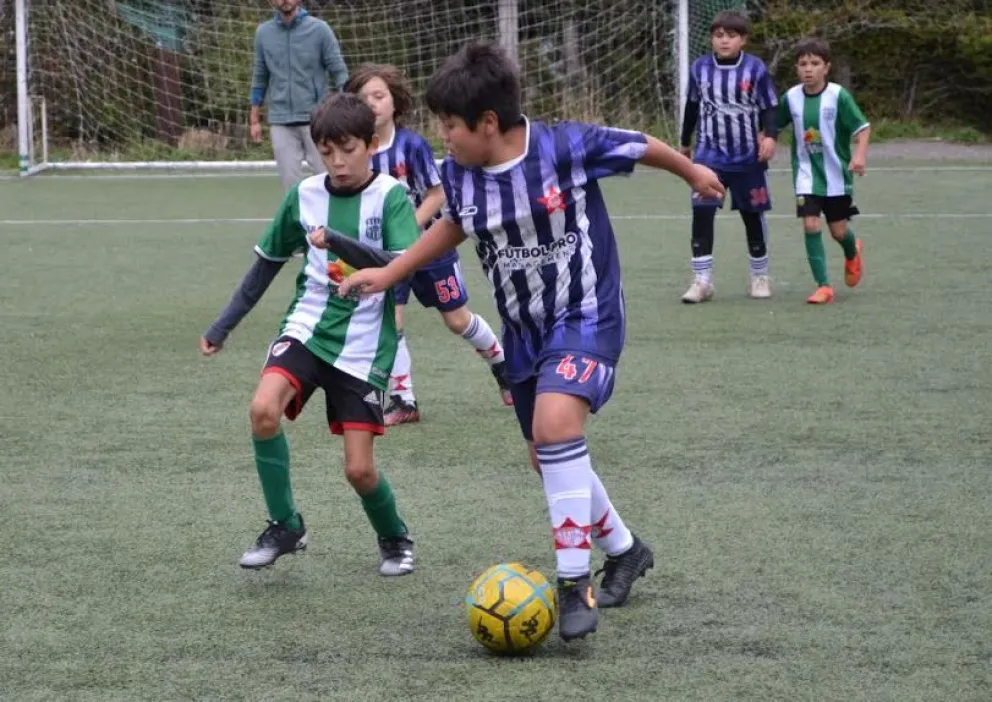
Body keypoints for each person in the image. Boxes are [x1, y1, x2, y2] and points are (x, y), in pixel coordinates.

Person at [338, 42, 725, 642]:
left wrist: (693, 171)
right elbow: (454, 227)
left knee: (556, 427)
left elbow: (638, 142)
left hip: (587, 312)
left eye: (450, 125)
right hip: (523, 328)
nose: (443, 136)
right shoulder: (459, 173)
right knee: (543, 451)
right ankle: (625, 549)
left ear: (489, 123)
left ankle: (574, 586)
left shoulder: (565, 146)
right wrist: (391, 272)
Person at [200, 93, 419, 576]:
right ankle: (285, 524)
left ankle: (395, 537)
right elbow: (266, 265)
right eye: (326, 151)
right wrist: (223, 325)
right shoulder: (304, 195)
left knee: (358, 471)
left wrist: (337, 241)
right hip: (307, 326)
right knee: (262, 410)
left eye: (348, 149)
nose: (337, 162)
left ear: (371, 144)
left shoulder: (391, 197)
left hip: (363, 345)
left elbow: (401, 267)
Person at [345, 63, 512, 426]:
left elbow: (437, 196)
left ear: (394, 102)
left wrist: (407, 229)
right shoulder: (356, 151)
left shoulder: (412, 146)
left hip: (431, 249)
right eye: (364, 98)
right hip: (388, 256)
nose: (372, 104)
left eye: (379, 96)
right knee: (392, 319)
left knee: (456, 320)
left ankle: (501, 363)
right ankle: (404, 399)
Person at [679, 10, 779, 303]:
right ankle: (702, 280)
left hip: (748, 157)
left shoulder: (756, 69)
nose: (724, 41)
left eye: (731, 36)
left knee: (752, 215)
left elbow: (769, 107)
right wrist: (685, 144)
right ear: (712, 39)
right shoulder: (699, 69)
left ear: (743, 40)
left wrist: (770, 136)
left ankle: (759, 276)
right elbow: (692, 107)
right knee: (702, 211)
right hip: (709, 156)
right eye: (719, 35)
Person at [777, 37, 869, 304]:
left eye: (814, 63)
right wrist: (765, 139)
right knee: (810, 224)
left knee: (838, 232)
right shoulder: (791, 98)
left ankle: (852, 252)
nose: (808, 69)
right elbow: (773, 124)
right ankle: (824, 286)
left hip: (837, 175)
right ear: (796, 68)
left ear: (826, 67)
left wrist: (859, 156)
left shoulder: (838, 96)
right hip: (806, 174)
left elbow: (862, 128)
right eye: (803, 64)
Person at [250, 0, 349, 191]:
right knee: (291, 188)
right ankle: (297, 222)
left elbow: (339, 71)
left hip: (317, 120)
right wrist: (254, 116)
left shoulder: (320, 30)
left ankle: (330, 220)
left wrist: (348, 108)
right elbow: (260, 75)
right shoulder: (263, 33)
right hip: (280, 121)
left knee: (329, 180)